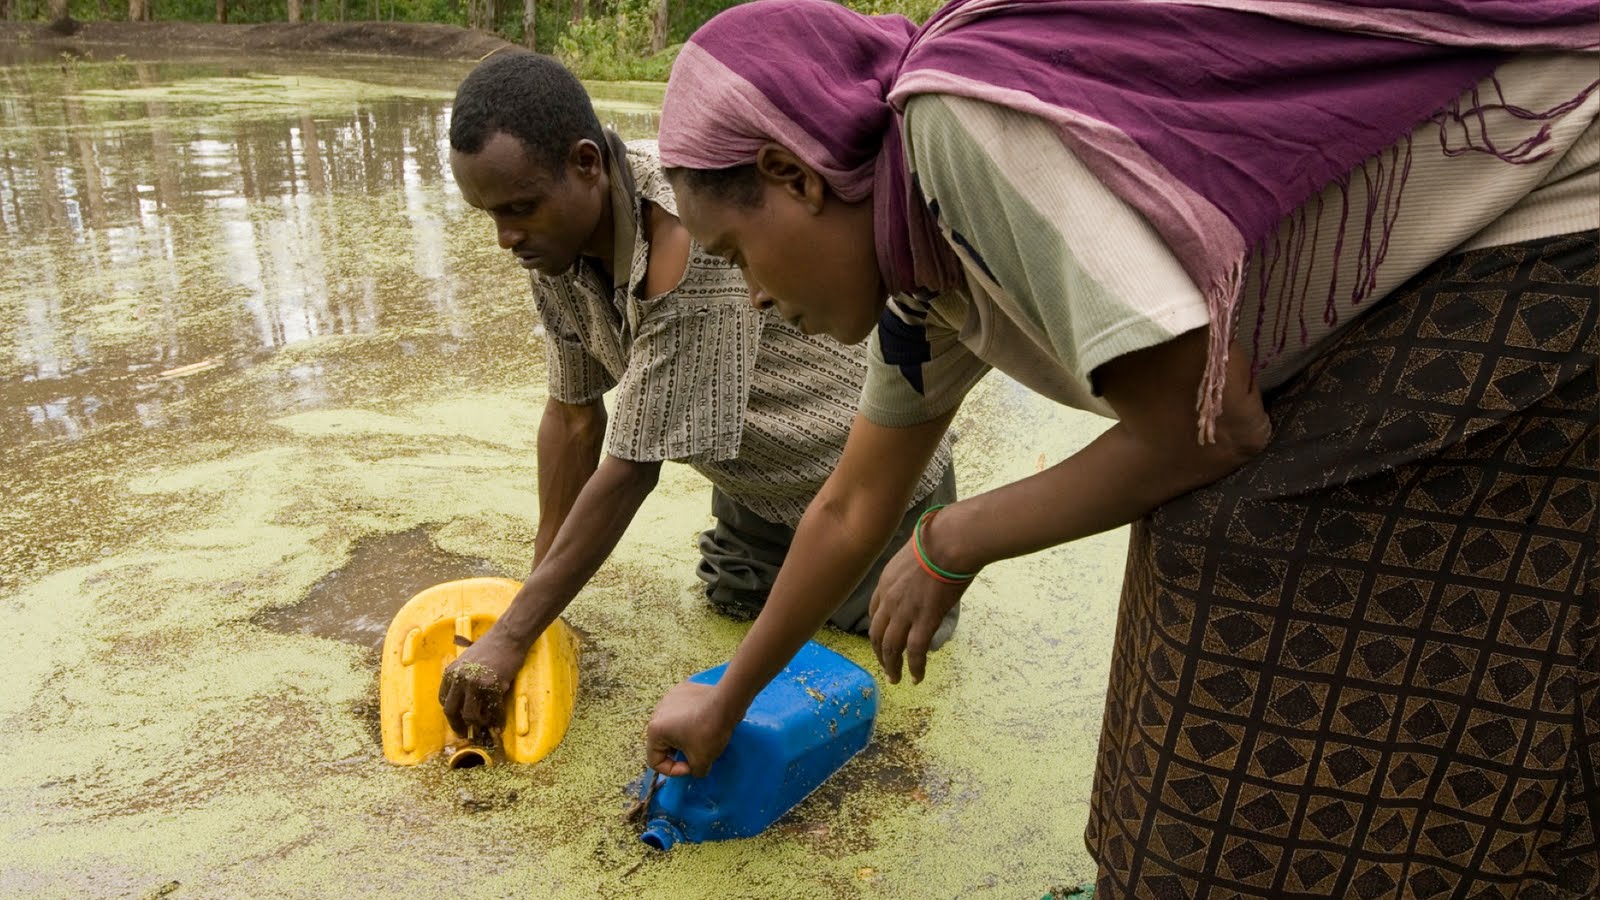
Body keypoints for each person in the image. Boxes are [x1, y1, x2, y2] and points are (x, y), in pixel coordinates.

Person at [641, 1, 1599, 896]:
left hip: (1545, 207)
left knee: (1240, 553)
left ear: (793, 175)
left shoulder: (950, 129)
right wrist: (729, 701)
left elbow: (1202, 430)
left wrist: (952, 540)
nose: (754, 297)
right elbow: (851, 506)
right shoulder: (921, 277)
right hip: (1406, 284)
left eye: (735, 256)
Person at [436, 51, 958, 736]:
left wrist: (509, 635)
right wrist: (534, 609)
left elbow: (629, 471)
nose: (507, 237)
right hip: (756, 508)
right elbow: (572, 420)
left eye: (520, 209)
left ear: (586, 164)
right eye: (490, 216)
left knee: (876, 720)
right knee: (731, 629)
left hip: (876, 513)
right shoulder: (552, 239)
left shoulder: (688, 237)